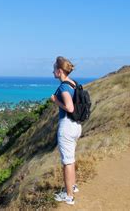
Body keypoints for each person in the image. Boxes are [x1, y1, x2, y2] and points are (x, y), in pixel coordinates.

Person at [50, 56, 82, 205]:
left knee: (67, 162)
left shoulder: (63, 87)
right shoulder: (73, 84)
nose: (52, 72)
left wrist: (56, 101)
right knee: (71, 159)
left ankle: (69, 196)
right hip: (76, 126)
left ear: (60, 71)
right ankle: (72, 186)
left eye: (54, 69)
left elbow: (70, 107)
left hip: (67, 126)